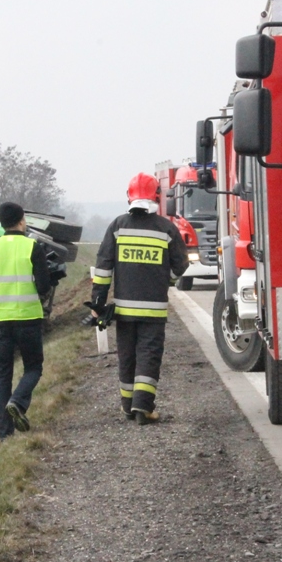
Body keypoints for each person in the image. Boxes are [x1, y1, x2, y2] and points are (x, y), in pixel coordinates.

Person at [91, 172, 189, 425]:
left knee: (127, 356)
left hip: (124, 311)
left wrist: (98, 304)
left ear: (129, 197)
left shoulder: (118, 226)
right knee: (148, 355)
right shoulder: (166, 229)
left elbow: (103, 268)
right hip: (154, 310)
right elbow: (181, 266)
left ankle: (127, 406)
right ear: (157, 196)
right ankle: (143, 407)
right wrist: (165, 280)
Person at [0, 202, 52, 440]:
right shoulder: (32, 247)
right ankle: (18, 402)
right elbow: (44, 287)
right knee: (34, 367)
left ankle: (5, 435)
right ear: (21, 221)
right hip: (28, 319)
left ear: (1, 223)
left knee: (2, 375)